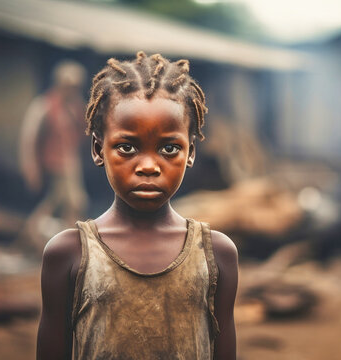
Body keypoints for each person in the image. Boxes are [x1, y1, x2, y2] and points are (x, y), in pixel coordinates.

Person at [37, 52, 238, 360]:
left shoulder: (216, 255)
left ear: (191, 152)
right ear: (97, 148)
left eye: (169, 148)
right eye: (127, 147)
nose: (148, 166)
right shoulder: (69, 254)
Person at [19, 60, 89, 249]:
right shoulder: (45, 105)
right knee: (62, 203)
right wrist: (30, 166)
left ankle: (70, 245)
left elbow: (81, 134)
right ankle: (31, 234)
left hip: (71, 164)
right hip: (54, 164)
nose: (72, 90)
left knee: (71, 204)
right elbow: (30, 137)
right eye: (69, 86)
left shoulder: (74, 107)